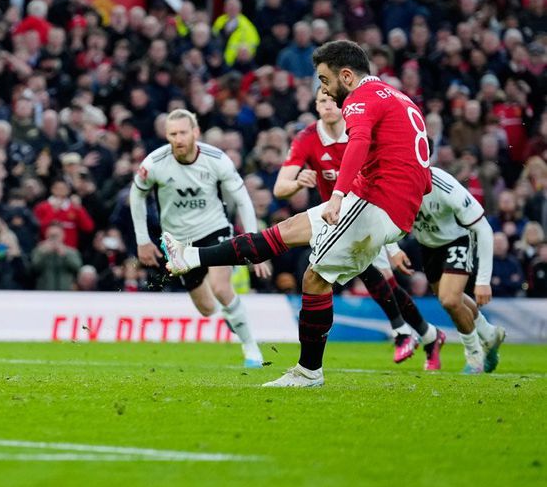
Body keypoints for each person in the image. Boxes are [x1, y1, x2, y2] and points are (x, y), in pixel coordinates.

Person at [162, 41, 432, 387]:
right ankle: (191, 256)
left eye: (325, 80)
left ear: (346, 75)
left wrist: (338, 196)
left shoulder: (360, 98)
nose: (324, 89)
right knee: (284, 231)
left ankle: (309, 372)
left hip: (374, 201)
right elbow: (422, 175)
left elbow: (359, 143)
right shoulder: (397, 97)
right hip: (385, 201)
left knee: (315, 279)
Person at [274, 88, 441, 366]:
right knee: (377, 278)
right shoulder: (308, 138)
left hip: (369, 215)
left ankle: (408, 333)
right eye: (322, 101)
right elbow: (280, 188)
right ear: (315, 106)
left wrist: (393, 246)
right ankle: (424, 334)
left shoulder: (362, 133)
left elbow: (381, 192)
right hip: (336, 219)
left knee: (381, 279)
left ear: (343, 105)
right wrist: (298, 183)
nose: (328, 106)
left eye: (331, 100)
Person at [131, 109, 268, 368]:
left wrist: (254, 243)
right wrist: (142, 240)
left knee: (221, 288)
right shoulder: (154, 163)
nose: (178, 138)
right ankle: (232, 314)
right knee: (207, 308)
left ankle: (251, 349)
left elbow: (242, 199)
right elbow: (136, 195)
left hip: (213, 229)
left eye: (183, 132)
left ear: (195, 132)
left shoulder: (216, 159)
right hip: (177, 242)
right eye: (172, 134)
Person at [388, 167, 506, 373]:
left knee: (450, 299)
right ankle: (489, 333)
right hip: (428, 246)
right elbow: (385, 216)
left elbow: (484, 228)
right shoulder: (398, 184)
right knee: (451, 300)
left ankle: (474, 356)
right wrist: (393, 249)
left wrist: (483, 281)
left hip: (457, 240)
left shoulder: (445, 185)